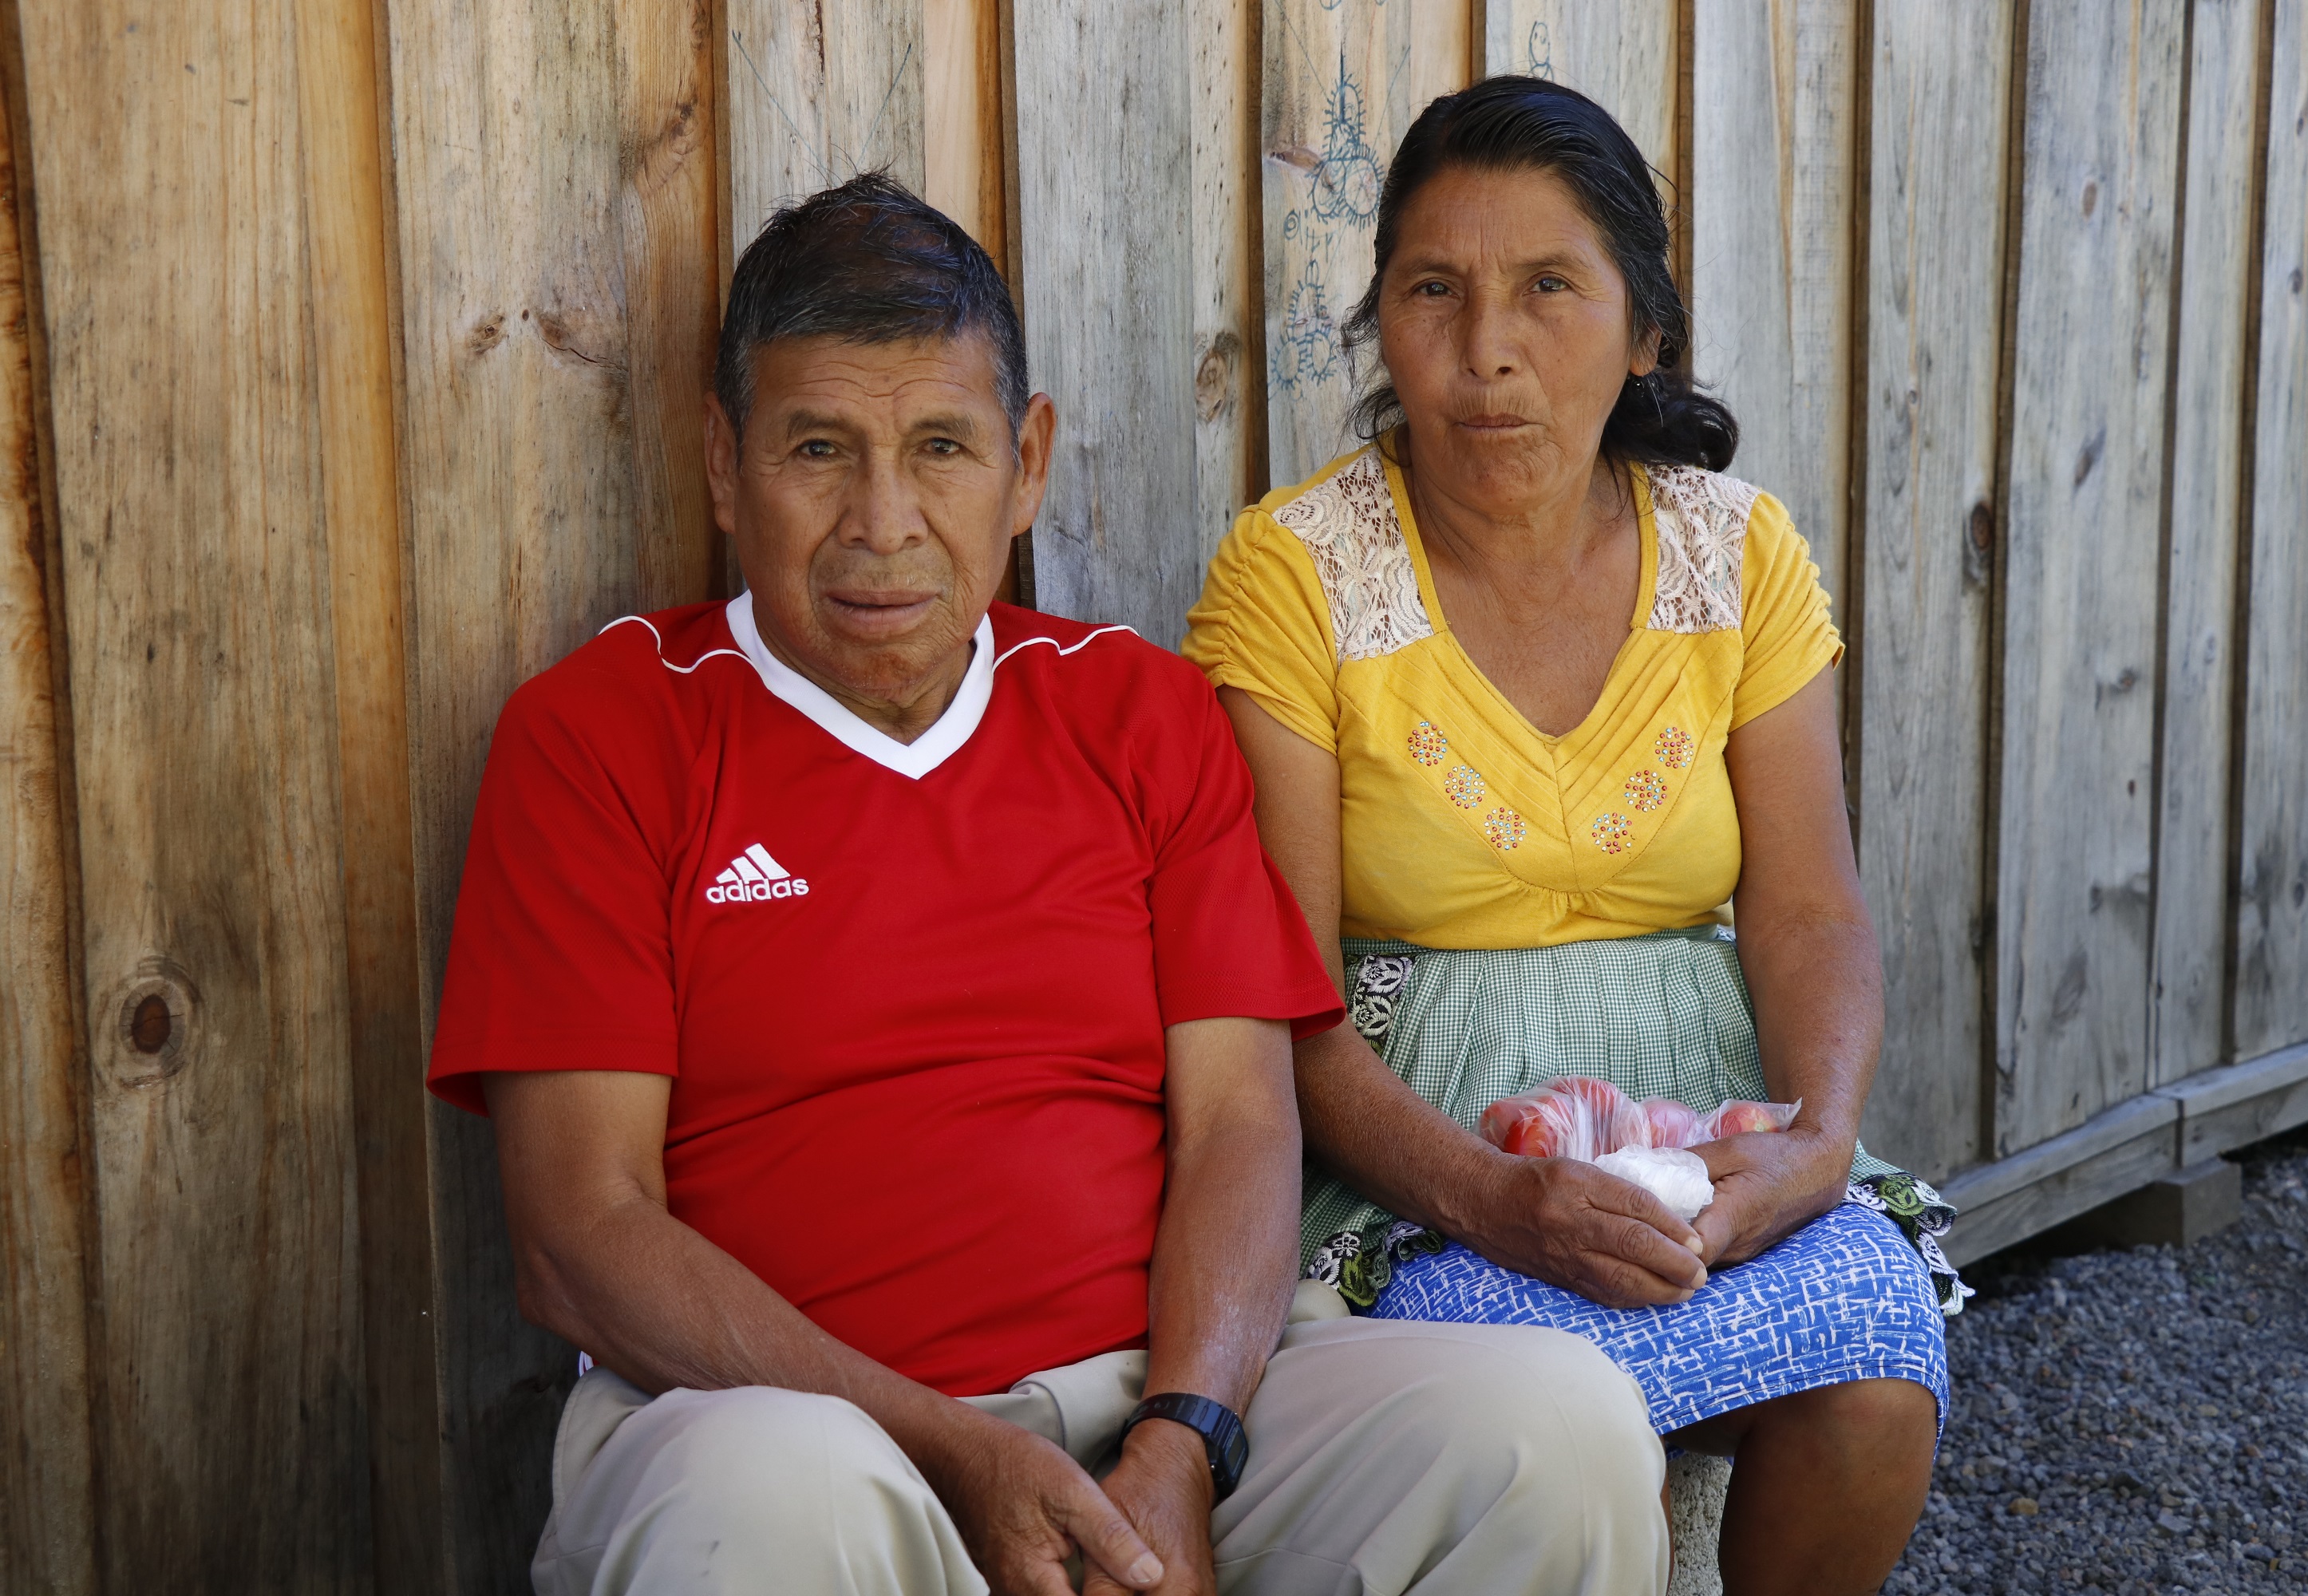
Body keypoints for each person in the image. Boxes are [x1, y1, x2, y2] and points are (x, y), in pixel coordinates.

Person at [426, 172, 1667, 1596]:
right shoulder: (605, 735)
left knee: (1553, 1433)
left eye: (941, 449)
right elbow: (580, 1234)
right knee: (761, 1503)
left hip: (1159, 1394)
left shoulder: (1133, 715)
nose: (881, 522)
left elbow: (1240, 1128)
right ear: (724, 463)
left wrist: (1186, 1441)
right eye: (818, 448)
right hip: (788, 1424)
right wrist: (956, 1448)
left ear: (1027, 462)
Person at [1183, 77, 1956, 1596]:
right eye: (1433, 291)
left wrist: (1808, 1147)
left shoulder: (1738, 553)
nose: (1488, 353)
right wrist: (1489, 1197)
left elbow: (1812, 914)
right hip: (1417, 1158)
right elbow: (1279, 998)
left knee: (1874, 1366)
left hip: (1706, 1140)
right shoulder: (1296, 574)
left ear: (1644, 330)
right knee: (1559, 1423)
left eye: (1551, 288)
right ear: (1383, 324)